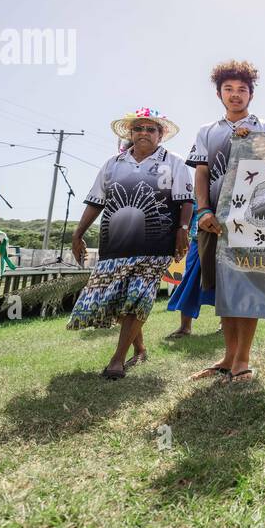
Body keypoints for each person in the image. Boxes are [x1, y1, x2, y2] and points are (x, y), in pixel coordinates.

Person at [67, 109, 193, 378]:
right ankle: (140, 349)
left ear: (161, 135)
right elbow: (95, 202)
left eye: (151, 129)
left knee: (139, 295)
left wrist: (182, 229)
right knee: (120, 298)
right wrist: (78, 234)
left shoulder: (175, 162)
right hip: (114, 244)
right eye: (139, 129)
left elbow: (185, 200)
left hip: (156, 242)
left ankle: (117, 359)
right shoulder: (113, 164)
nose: (144, 133)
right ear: (131, 134)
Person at [188, 61, 265, 384]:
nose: (235, 95)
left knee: (247, 287)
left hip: (255, 222)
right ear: (218, 93)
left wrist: (251, 141)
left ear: (251, 94)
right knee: (223, 288)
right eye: (229, 89)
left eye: (242, 90)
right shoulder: (206, 132)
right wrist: (202, 211)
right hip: (214, 222)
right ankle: (227, 357)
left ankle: (243, 359)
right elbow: (201, 171)